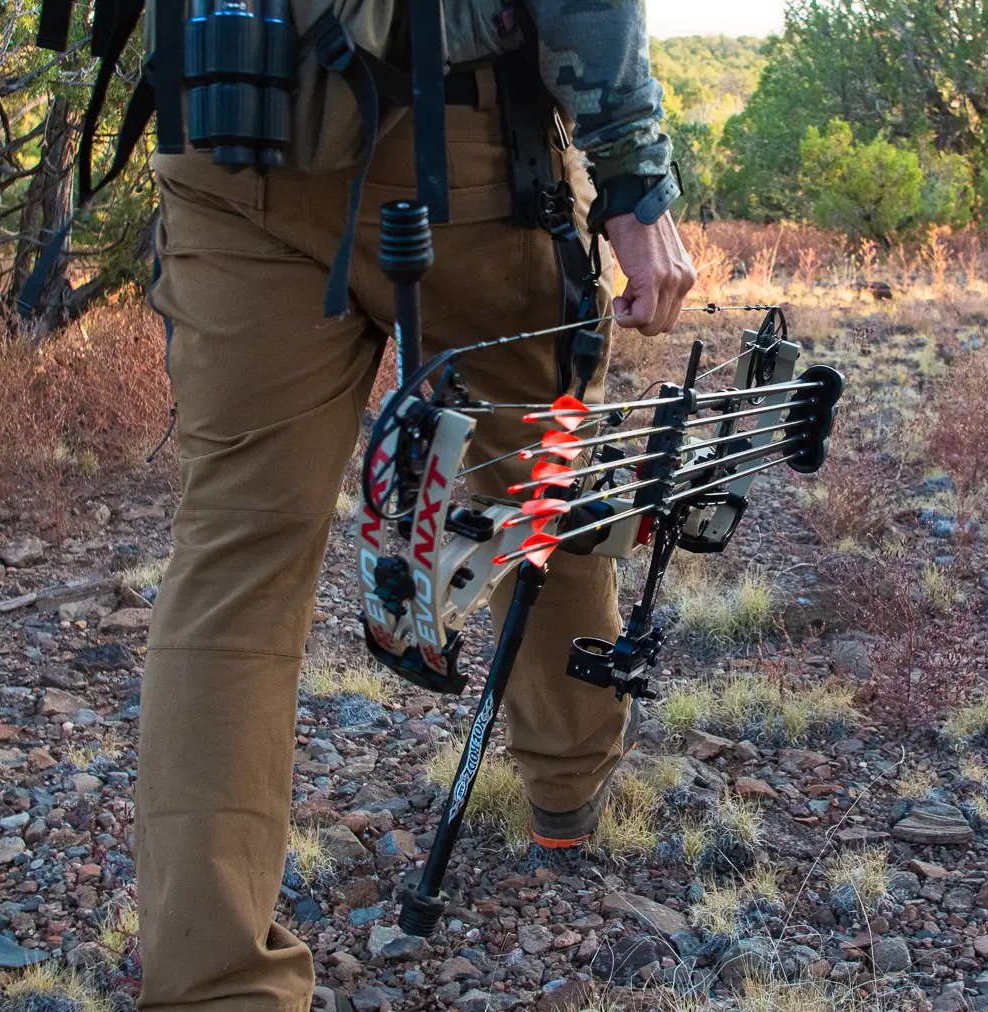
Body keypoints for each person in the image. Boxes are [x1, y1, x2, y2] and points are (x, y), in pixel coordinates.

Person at [133, 1, 697, 1008]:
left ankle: (210, 982)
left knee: (235, 555)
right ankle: (568, 786)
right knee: (538, 483)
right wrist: (633, 178)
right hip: (456, 152)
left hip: (225, 120)